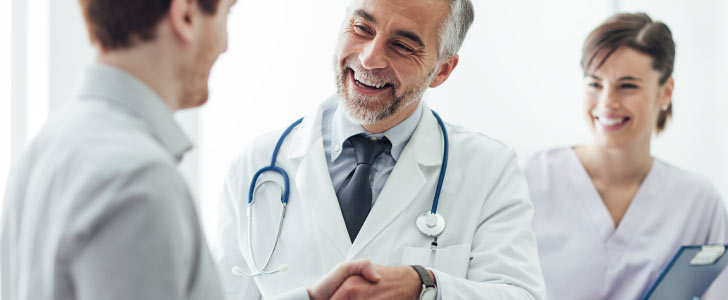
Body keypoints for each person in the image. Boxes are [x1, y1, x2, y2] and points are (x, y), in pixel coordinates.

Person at [213, 0, 546, 299]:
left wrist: (427, 285)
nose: (370, 58)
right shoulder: (256, 164)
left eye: (401, 46)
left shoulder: (489, 169)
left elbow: (521, 295)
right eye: (362, 29)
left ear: (442, 70)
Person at [0, 0, 237, 299]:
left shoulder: (45, 147)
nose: (226, 45)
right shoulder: (138, 177)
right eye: (228, 12)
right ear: (185, 14)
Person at [521, 12, 728, 300]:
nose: (607, 102)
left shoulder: (699, 202)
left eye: (628, 85)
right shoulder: (528, 180)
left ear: (665, 92)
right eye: (595, 84)